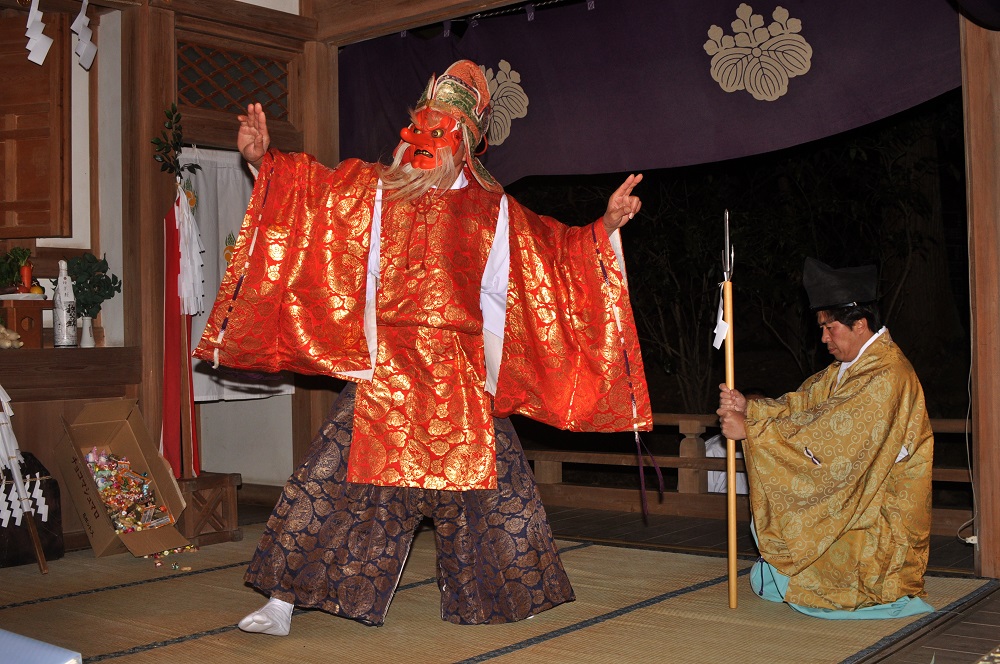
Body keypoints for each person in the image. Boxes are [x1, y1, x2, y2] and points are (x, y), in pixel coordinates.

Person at [193, 60, 653, 634]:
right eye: (419, 127)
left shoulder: (492, 208)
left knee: (495, 489)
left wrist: (603, 228)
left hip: (459, 371)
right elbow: (312, 194)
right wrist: (263, 160)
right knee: (331, 478)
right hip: (385, 366)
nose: (424, 141)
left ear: (464, 143)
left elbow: (551, 260)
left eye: (440, 131)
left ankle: (503, 594)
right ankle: (283, 599)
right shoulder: (374, 189)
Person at [716, 257, 934, 619]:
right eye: (822, 328)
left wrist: (751, 431)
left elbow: (833, 434)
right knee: (772, 576)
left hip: (878, 510)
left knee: (802, 578)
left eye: (830, 328)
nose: (824, 338)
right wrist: (750, 408)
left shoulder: (887, 375)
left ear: (860, 324)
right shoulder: (852, 368)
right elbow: (805, 405)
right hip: (859, 496)